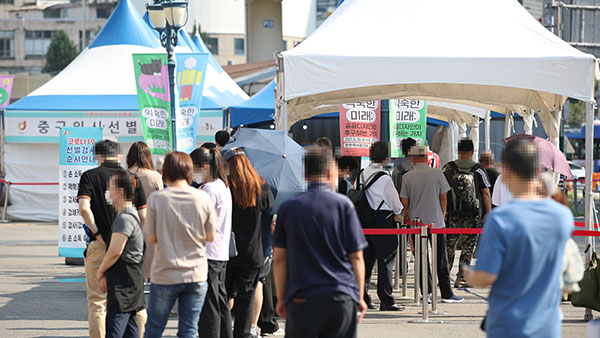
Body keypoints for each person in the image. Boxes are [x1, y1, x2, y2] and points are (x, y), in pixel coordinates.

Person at [463, 139, 574, 337]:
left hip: (508, 324)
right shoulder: (562, 217)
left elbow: (486, 276)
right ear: (538, 171)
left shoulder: (499, 220)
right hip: (548, 324)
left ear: (506, 172)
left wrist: (470, 276)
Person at [273, 146, 368, 338]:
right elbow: (356, 256)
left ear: (305, 174)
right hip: (340, 296)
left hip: (302, 297)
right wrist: (358, 296)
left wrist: (281, 298)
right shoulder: (343, 205)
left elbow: (279, 259)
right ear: (330, 171)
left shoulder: (288, 208)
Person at [143, 151, 218, 338]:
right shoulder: (203, 197)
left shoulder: (157, 199)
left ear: (166, 171)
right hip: (196, 273)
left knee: (153, 329)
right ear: (189, 170)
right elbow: (210, 236)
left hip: (164, 273)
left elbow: (150, 238)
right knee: (189, 330)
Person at [77, 140, 147, 338]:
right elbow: (144, 216)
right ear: (119, 156)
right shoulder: (131, 178)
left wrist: (97, 232)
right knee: (134, 302)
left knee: (97, 302)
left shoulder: (89, 176)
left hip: (99, 246)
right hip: (128, 249)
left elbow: (84, 208)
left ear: (97, 156)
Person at [400, 145, 464, 303]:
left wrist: (408, 214)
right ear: (426, 157)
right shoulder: (437, 173)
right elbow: (444, 197)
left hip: (416, 223)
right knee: (441, 258)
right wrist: (441, 215)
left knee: (421, 258)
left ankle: (426, 294)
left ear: (413, 158)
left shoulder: (407, 176)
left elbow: (405, 202)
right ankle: (447, 293)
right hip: (436, 222)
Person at [223, 148, 274, 338]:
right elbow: (269, 210)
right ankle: (243, 334)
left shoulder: (226, 188)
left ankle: (224, 331)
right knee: (246, 297)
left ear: (229, 165)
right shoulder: (261, 186)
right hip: (253, 252)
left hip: (227, 250)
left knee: (225, 294)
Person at [190, 147, 234, 338]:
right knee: (219, 301)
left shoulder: (208, 190)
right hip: (220, 252)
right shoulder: (222, 186)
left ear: (205, 166)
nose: (193, 173)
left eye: (194, 168)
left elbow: (198, 221)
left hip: (207, 252)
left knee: (208, 305)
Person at [96, 170, 145, 338]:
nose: (107, 192)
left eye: (110, 188)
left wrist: (100, 271)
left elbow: (115, 252)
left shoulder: (125, 218)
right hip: (131, 281)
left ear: (121, 191)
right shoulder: (129, 215)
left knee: (115, 328)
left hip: (123, 284)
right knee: (131, 328)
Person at [359, 141, 403, 311]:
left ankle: (363, 297)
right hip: (383, 221)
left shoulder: (361, 175)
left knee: (366, 260)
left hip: (364, 220)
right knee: (386, 261)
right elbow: (396, 203)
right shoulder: (384, 177)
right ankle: (386, 299)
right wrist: (399, 211)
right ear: (386, 158)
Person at [442, 139, 492, 287]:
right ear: (472, 151)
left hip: (452, 213)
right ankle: (462, 277)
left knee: (449, 246)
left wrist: (443, 212)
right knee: (468, 246)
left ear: (458, 151)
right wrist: (488, 213)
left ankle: (444, 276)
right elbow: (486, 192)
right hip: (473, 214)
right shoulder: (478, 169)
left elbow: (442, 193)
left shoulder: (448, 167)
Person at [126, 141, 163, 281]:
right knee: (150, 252)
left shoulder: (125, 174)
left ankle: (134, 278)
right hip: (151, 220)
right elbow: (162, 198)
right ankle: (149, 277)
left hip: (129, 220)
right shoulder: (154, 176)